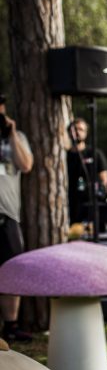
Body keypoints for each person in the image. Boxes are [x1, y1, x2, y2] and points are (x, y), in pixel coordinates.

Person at [0, 95, 33, 343]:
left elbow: (27, 164)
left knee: (12, 270)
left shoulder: (16, 138)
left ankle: (11, 324)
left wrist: (10, 132)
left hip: (8, 214)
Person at [67, 117, 107, 225]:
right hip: (71, 203)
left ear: (86, 133)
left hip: (90, 203)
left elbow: (104, 177)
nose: (77, 132)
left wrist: (100, 192)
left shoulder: (94, 153)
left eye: (81, 129)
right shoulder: (64, 156)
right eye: (74, 129)